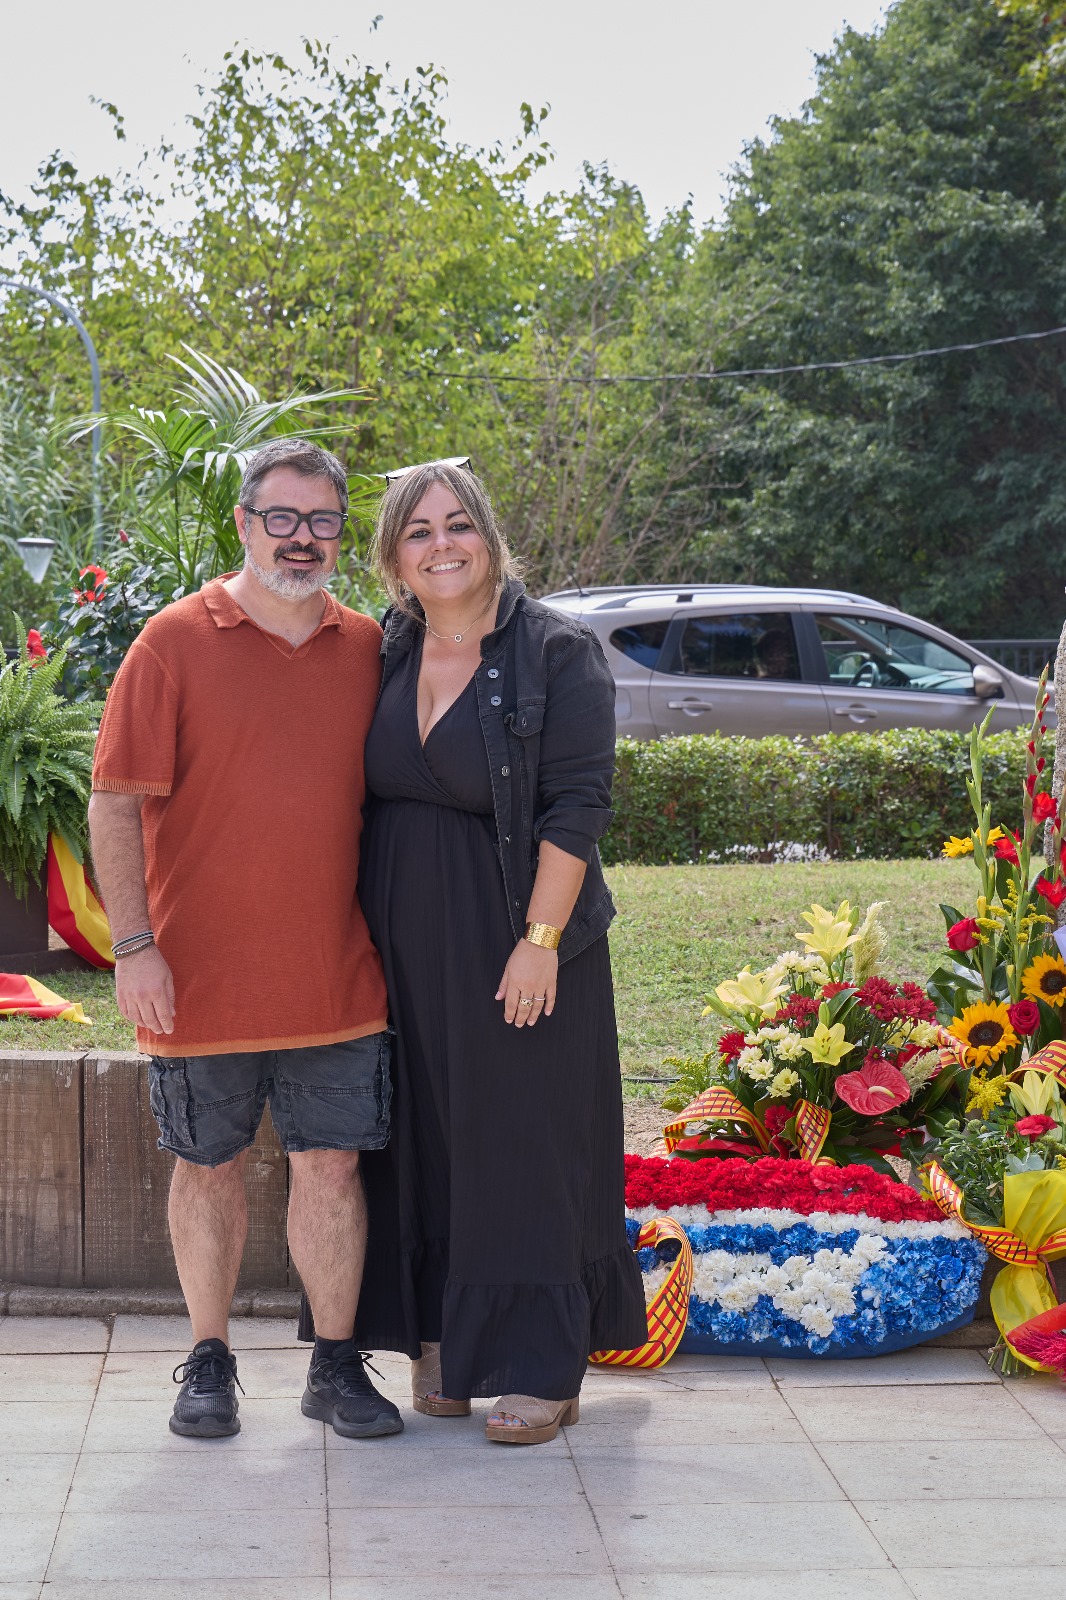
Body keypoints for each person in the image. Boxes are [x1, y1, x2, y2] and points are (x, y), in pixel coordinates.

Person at [302, 457, 647, 1443]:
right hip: (401, 941)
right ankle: (447, 1338)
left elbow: (577, 810)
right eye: (418, 530)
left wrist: (538, 941)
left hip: (514, 937)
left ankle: (544, 1364)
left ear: (488, 535)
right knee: (428, 1138)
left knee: (523, 1143)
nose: (441, 543)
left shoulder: (554, 653)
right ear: (392, 557)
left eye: (458, 523)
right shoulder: (383, 650)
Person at [89, 437, 403, 1442]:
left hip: (336, 978)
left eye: (320, 521)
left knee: (332, 1168)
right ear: (243, 523)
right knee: (208, 1165)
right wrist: (134, 945)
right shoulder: (172, 641)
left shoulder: (369, 646)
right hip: (196, 979)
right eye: (281, 517)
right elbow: (111, 802)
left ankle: (337, 1364)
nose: (301, 539)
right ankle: (209, 1359)